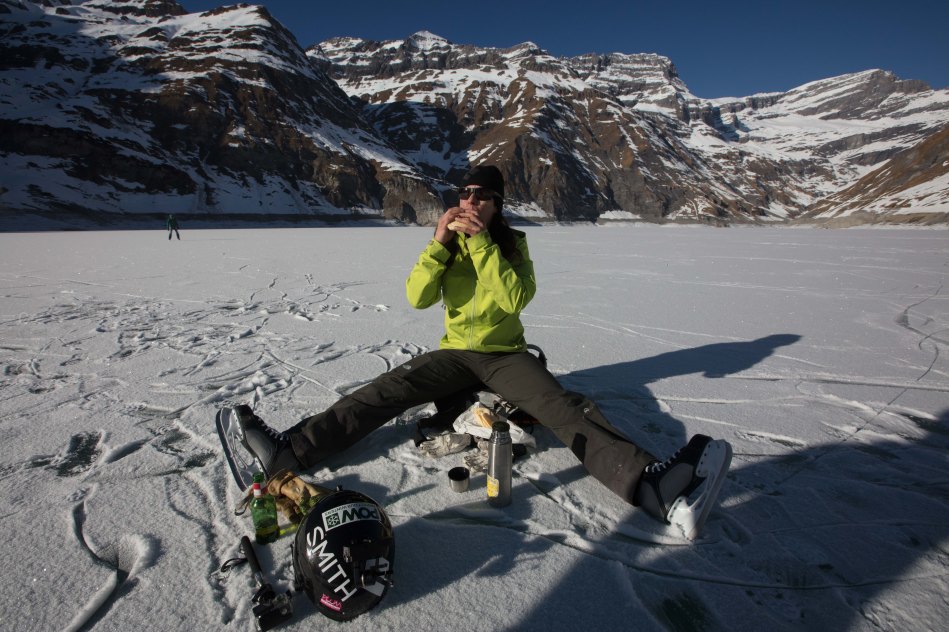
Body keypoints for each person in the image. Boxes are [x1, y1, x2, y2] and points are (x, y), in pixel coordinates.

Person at [227, 165, 731, 536]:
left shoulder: (513, 246)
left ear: (496, 205)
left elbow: (514, 297)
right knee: (387, 390)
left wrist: (483, 245)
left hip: (506, 355)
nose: (469, 201)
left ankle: (654, 488)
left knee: (562, 408)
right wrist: (438, 245)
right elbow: (417, 297)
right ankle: (289, 451)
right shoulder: (447, 245)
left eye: (481, 196)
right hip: (454, 355)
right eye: (464, 193)